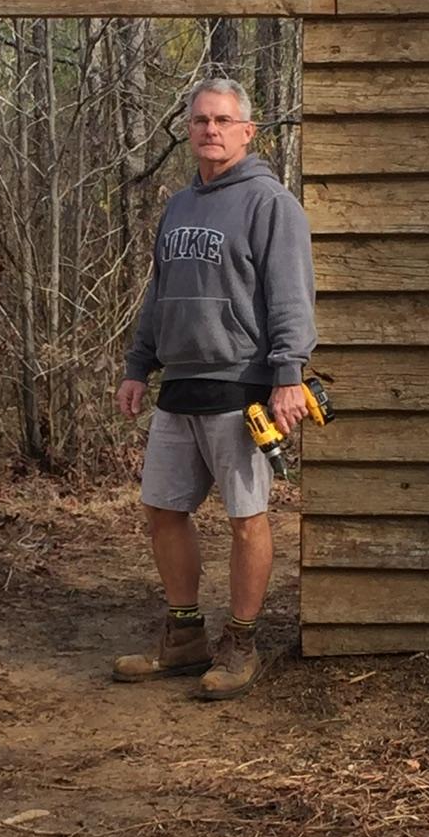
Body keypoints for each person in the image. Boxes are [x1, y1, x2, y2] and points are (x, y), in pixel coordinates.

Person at [110, 79, 317, 700]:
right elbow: (158, 295)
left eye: (224, 120)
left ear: (247, 131)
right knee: (163, 510)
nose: (210, 130)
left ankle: (242, 641)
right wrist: (137, 365)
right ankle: (184, 636)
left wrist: (288, 376)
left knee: (246, 517)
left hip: (243, 385)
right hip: (180, 384)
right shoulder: (178, 207)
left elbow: (291, 295)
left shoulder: (270, 204)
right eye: (200, 120)